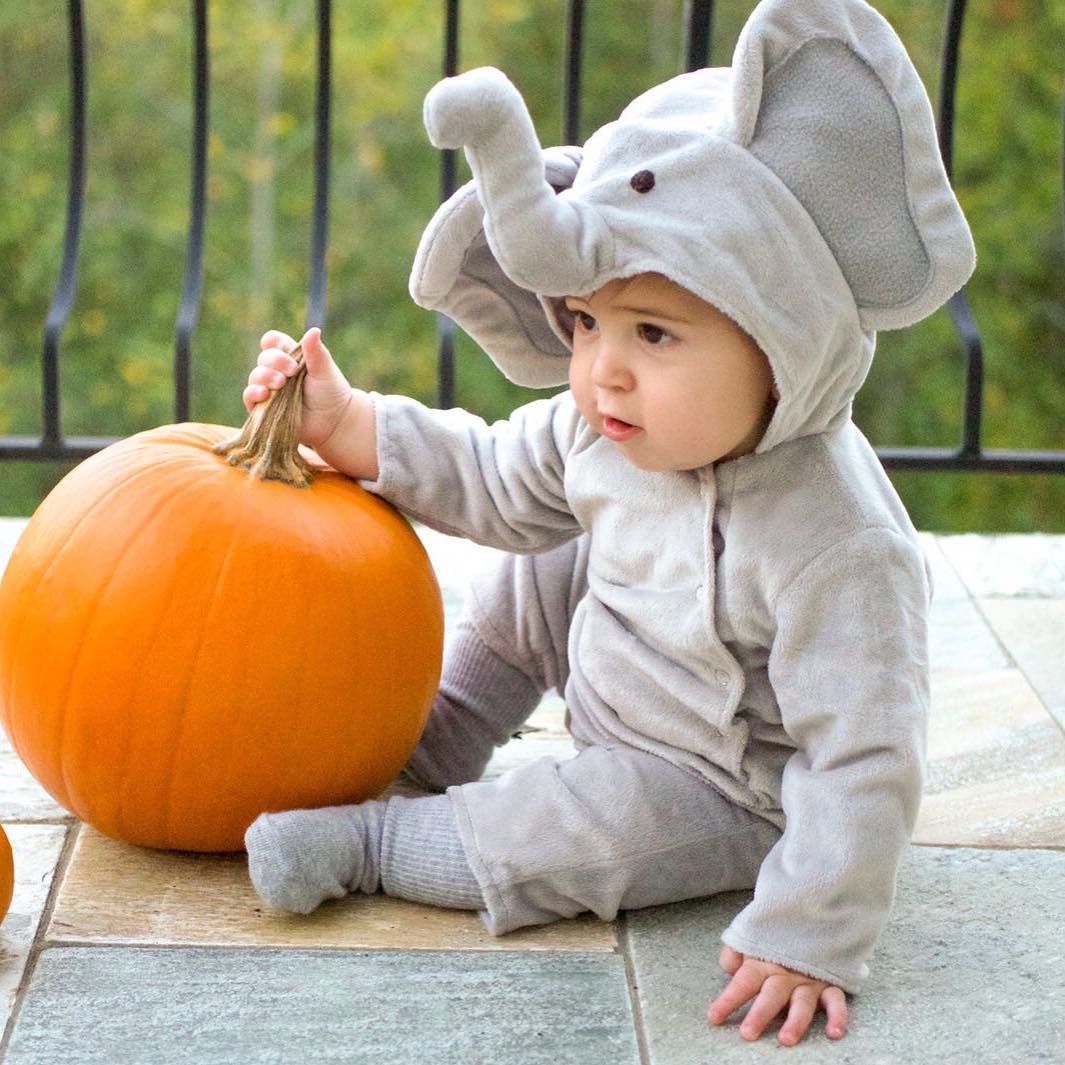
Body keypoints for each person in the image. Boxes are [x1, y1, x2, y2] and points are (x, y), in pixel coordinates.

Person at [242, 0, 975, 1046]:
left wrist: (809, 929)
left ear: (784, 338)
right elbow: (490, 474)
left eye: (654, 333)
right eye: (585, 324)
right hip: (619, 670)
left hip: (713, 782)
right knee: (548, 565)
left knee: (574, 836)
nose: (601, 369)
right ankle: (439, 735)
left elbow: (865, 757)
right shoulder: (602, 429)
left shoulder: (838, 542)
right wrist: (351, 424)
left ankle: (374, 843)